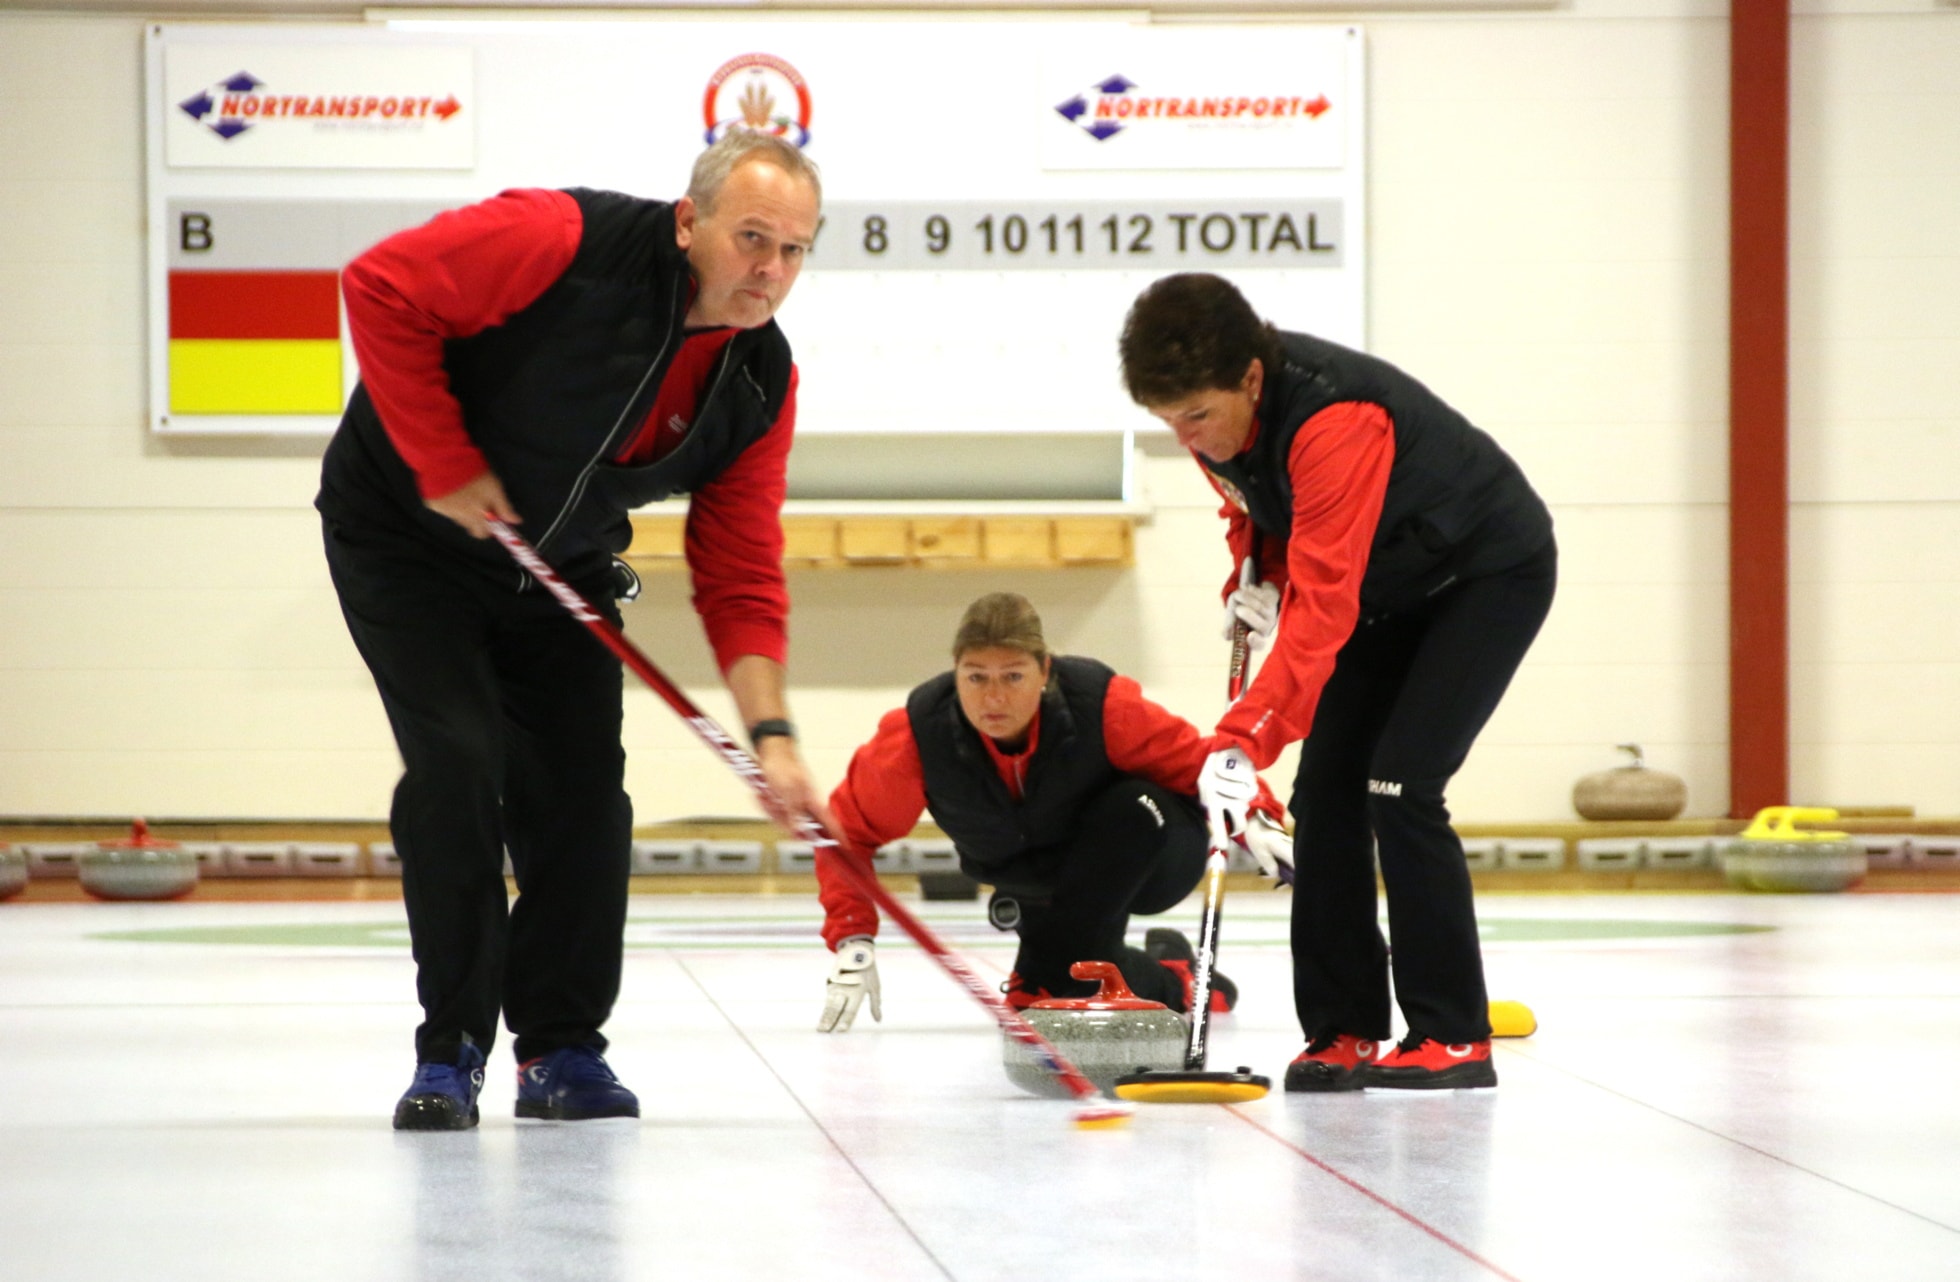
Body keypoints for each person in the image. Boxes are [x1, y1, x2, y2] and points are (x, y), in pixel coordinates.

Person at [317, 131, 827, 1129]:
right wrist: (440, 458)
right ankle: (452, 1046)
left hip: (559, 569)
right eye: (751, 237)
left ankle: (558, 1048)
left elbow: (740, 570)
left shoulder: (758, 380)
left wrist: (773, 738)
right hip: (408, 536)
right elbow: (379, 285)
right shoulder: (561, 239)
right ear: (691, 223)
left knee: (584, 792)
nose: (769, 270)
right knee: (460, 763)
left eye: (794, 250)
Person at [1119, 273, 1556, 1092]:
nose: (1189, 437)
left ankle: (1452, 1033)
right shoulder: (1218, 424)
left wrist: (1245, 738)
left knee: (1400, 782)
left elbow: (1326, 605)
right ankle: (1345, 1027)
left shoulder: (1336, 420)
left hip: (1484, 577)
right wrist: (1251, 584)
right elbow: (1259, 505)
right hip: (1385, 592)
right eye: (1167, 421)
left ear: (1252, 377)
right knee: (1325, 796)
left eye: (1198, 416)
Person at [810, 592, 1292, 1033]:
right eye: (976, 677)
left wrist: (1256, 817)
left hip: (1150, 856)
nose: (993, 697)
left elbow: (1199, 760)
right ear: (955, 673)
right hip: (1038, 883)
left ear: (1045, 671)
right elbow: (846, 832)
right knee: (1078, 978)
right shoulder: (919, 735)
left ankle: (1044, 972)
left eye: (1013, 676)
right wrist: (852, 935)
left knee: (1131, 808)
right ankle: (1177, 978)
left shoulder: (1100, 705)